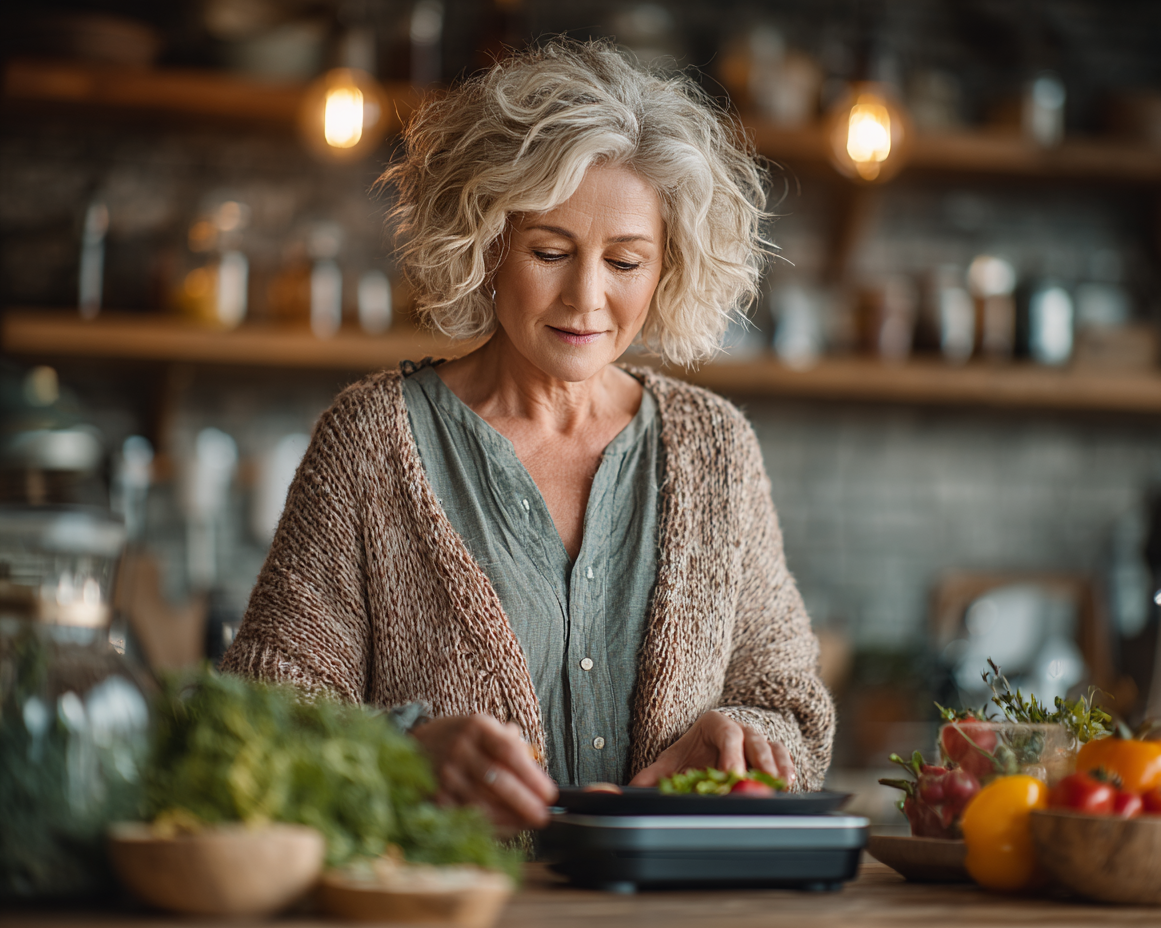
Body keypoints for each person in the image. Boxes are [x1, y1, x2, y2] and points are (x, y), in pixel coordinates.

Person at [221, 39, 834, 832]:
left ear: (668, 265)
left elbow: (789, 703)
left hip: (679, 895)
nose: (587, 297)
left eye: (625, 262)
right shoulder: (371, 441)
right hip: (451, 890)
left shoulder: (716, 448)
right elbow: (262, 718)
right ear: (486, 242)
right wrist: (404, 753)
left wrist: (746, 737)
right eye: (550, 251)